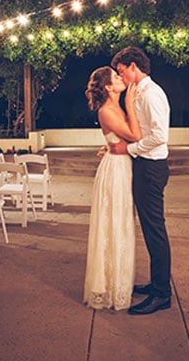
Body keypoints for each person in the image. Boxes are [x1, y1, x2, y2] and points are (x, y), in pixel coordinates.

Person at [109, 46, 172, 316]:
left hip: (151, 168)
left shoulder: (152, 94)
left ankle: (162, 294)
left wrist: (129, 150)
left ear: (133, 66)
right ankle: (156, 284)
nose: (121, 78)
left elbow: (159, 136)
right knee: (149, 230)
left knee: (155, 230)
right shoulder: (139, 93)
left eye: (122, 72)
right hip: (144, 166)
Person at [83, 66, 141, 310]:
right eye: (116, 77)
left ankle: (120, 282)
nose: (121, 79)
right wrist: (129, 102)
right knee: (113, 224)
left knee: (122, 223)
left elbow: (123, 139)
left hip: (122, 164)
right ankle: (108, 285)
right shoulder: (107, 110)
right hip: (115, 170)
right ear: (108, 87)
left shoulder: (114, 107)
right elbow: (135, 136)